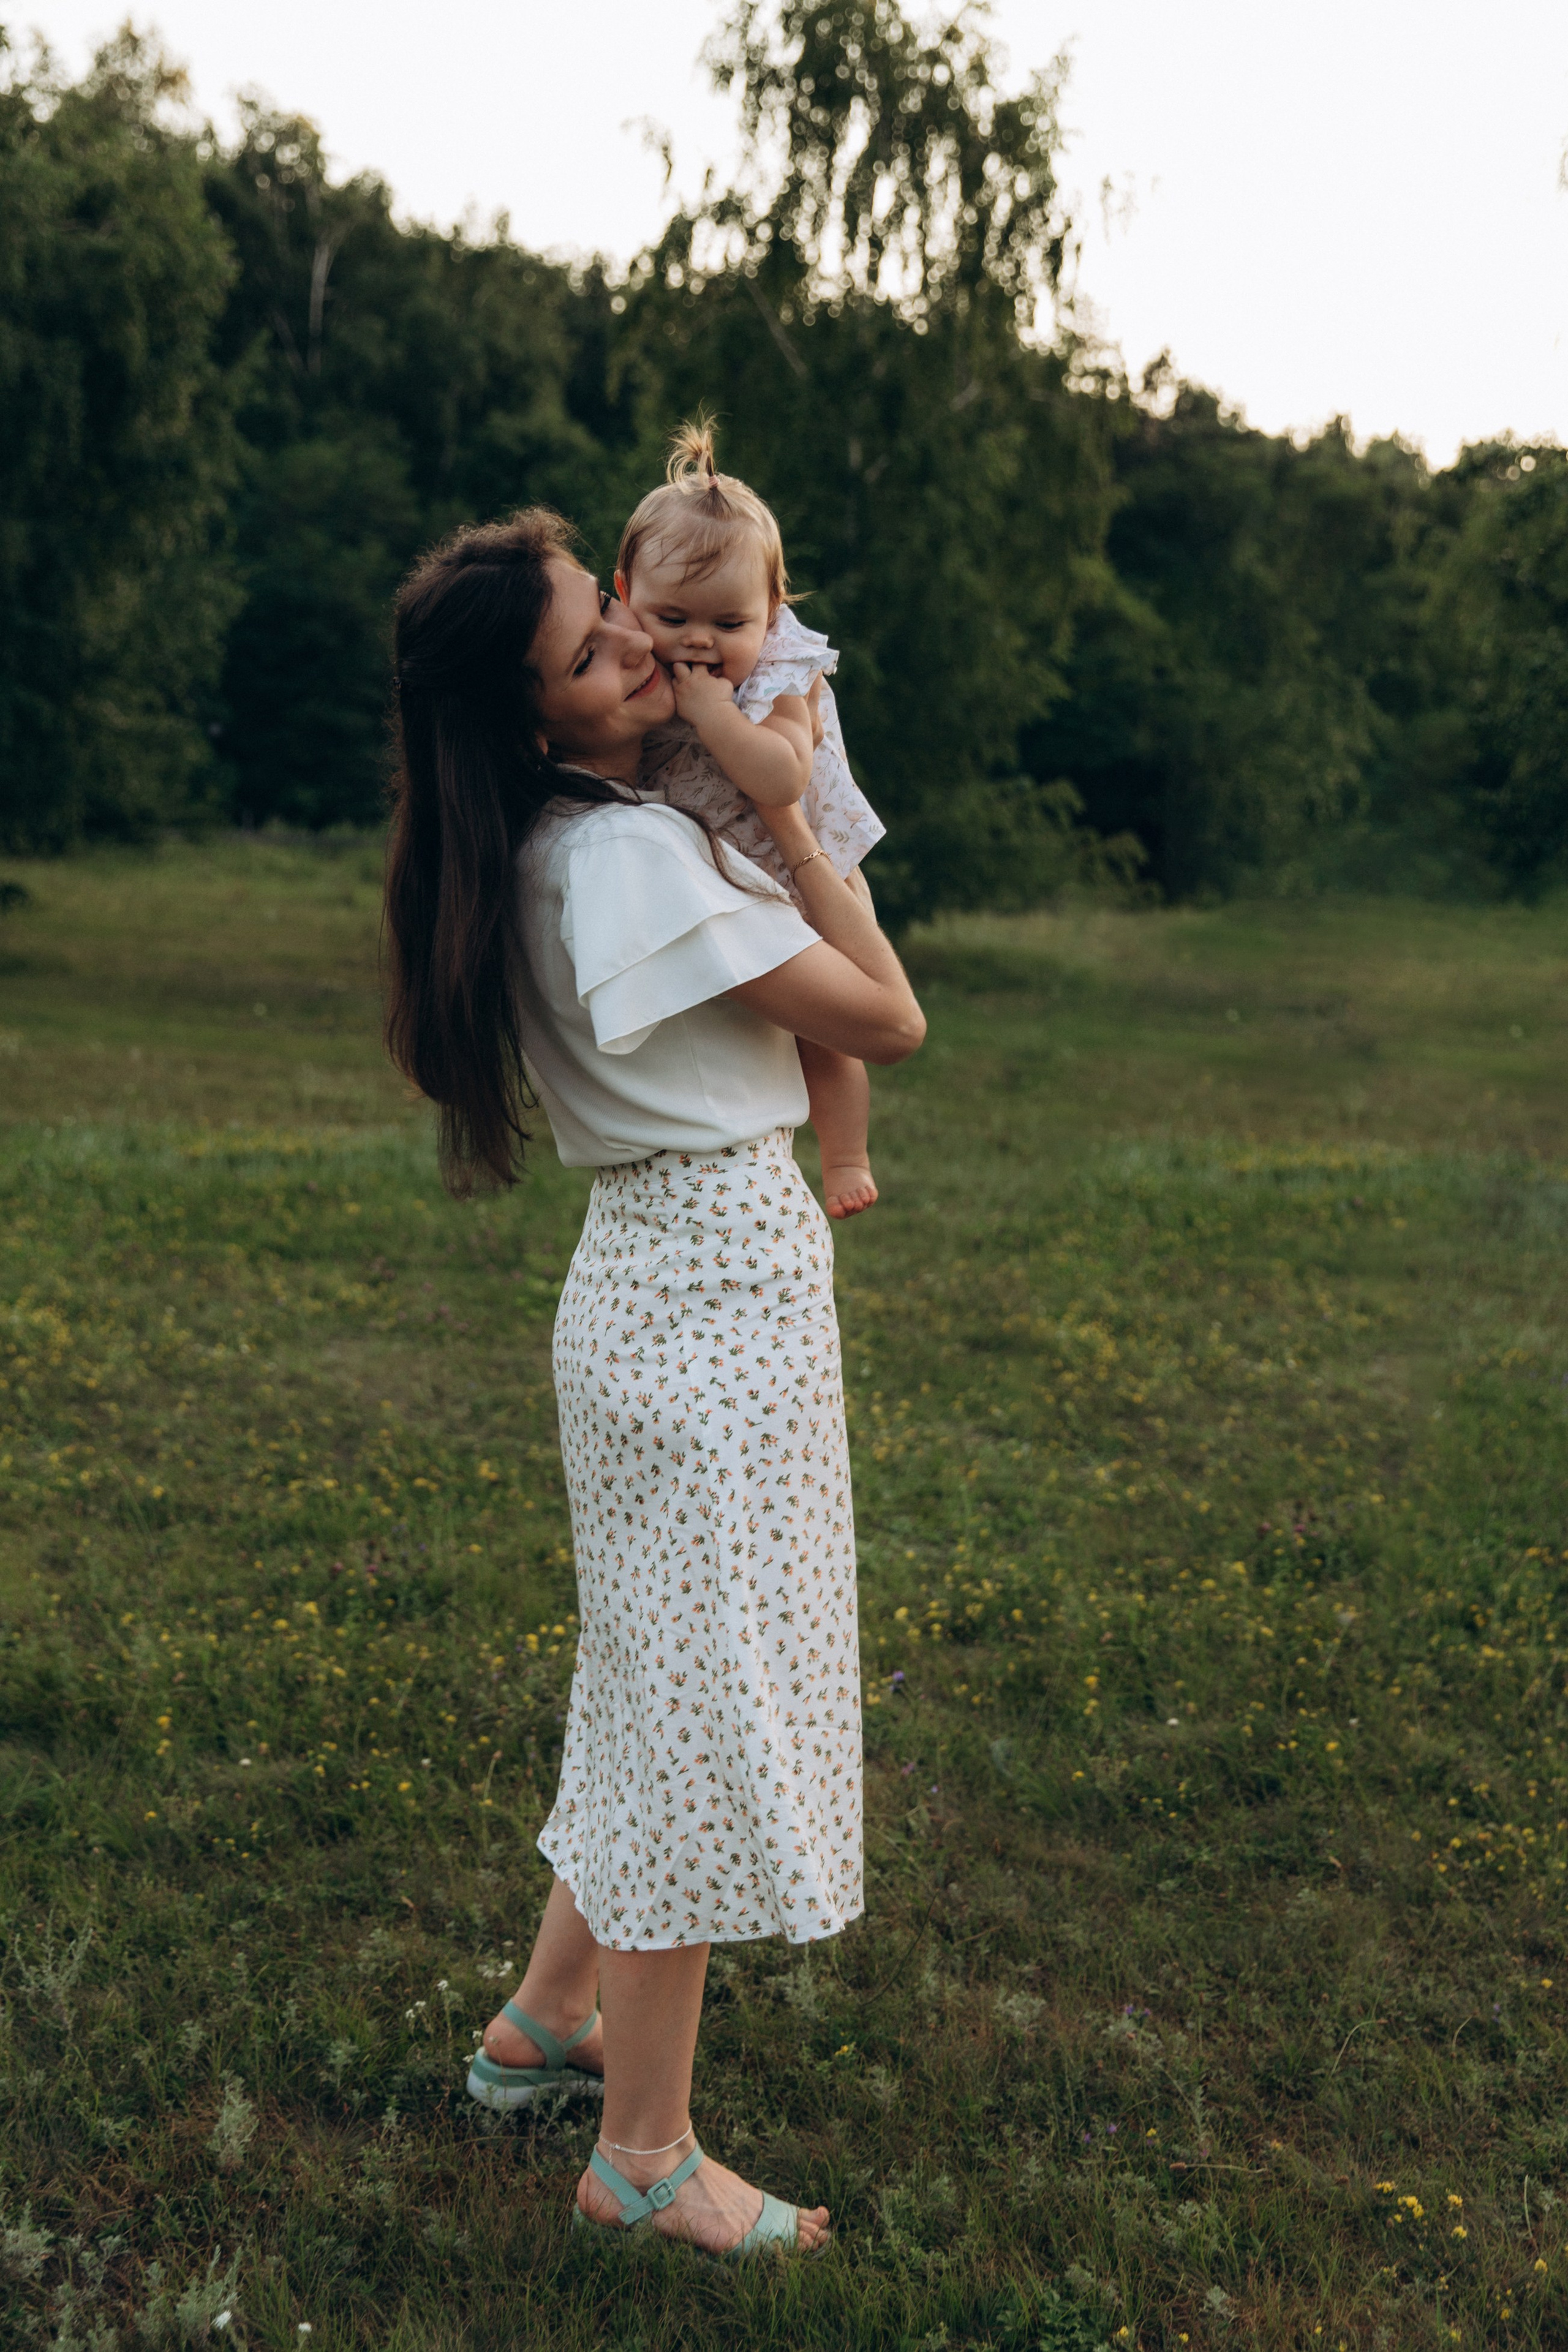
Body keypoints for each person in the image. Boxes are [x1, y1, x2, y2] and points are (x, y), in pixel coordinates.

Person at [382, 507, 925, 2256]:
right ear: (535, 715)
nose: (643, 651)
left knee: (654, 1677)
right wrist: (784, 802)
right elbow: (885, 1017)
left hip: (672, 1276)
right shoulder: (624, 859)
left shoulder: (570, 832)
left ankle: (546, 2023)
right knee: (695, 1710)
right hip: (705, 1288)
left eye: (615, 614)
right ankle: (646, 2155)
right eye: (595, 650)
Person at [617, 418, 884, 1223]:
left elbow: (782, 775)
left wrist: (715, 714)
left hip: (809, 881)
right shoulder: (637, 671)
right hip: (721, 883)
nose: (699, 641)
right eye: (673, 619)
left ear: (771, 614)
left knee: (827, 1034)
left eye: (728, 625)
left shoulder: (779, 680)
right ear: (625, 596)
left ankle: (845, 1156)